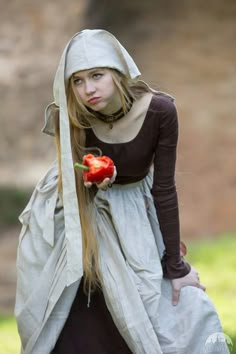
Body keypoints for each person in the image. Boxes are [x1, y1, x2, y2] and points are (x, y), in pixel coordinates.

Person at [15, 29, 229, 354]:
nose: (88, 90)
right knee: (76, 315)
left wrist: (174, 264)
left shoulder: (159, 111)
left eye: (97, 75)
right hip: (83, 218)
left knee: (177, 311)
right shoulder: (73, 118)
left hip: (136, 215)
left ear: (117, 72)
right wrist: (90, 181)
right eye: (78, 81)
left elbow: (164, 189)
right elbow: (74, 178)